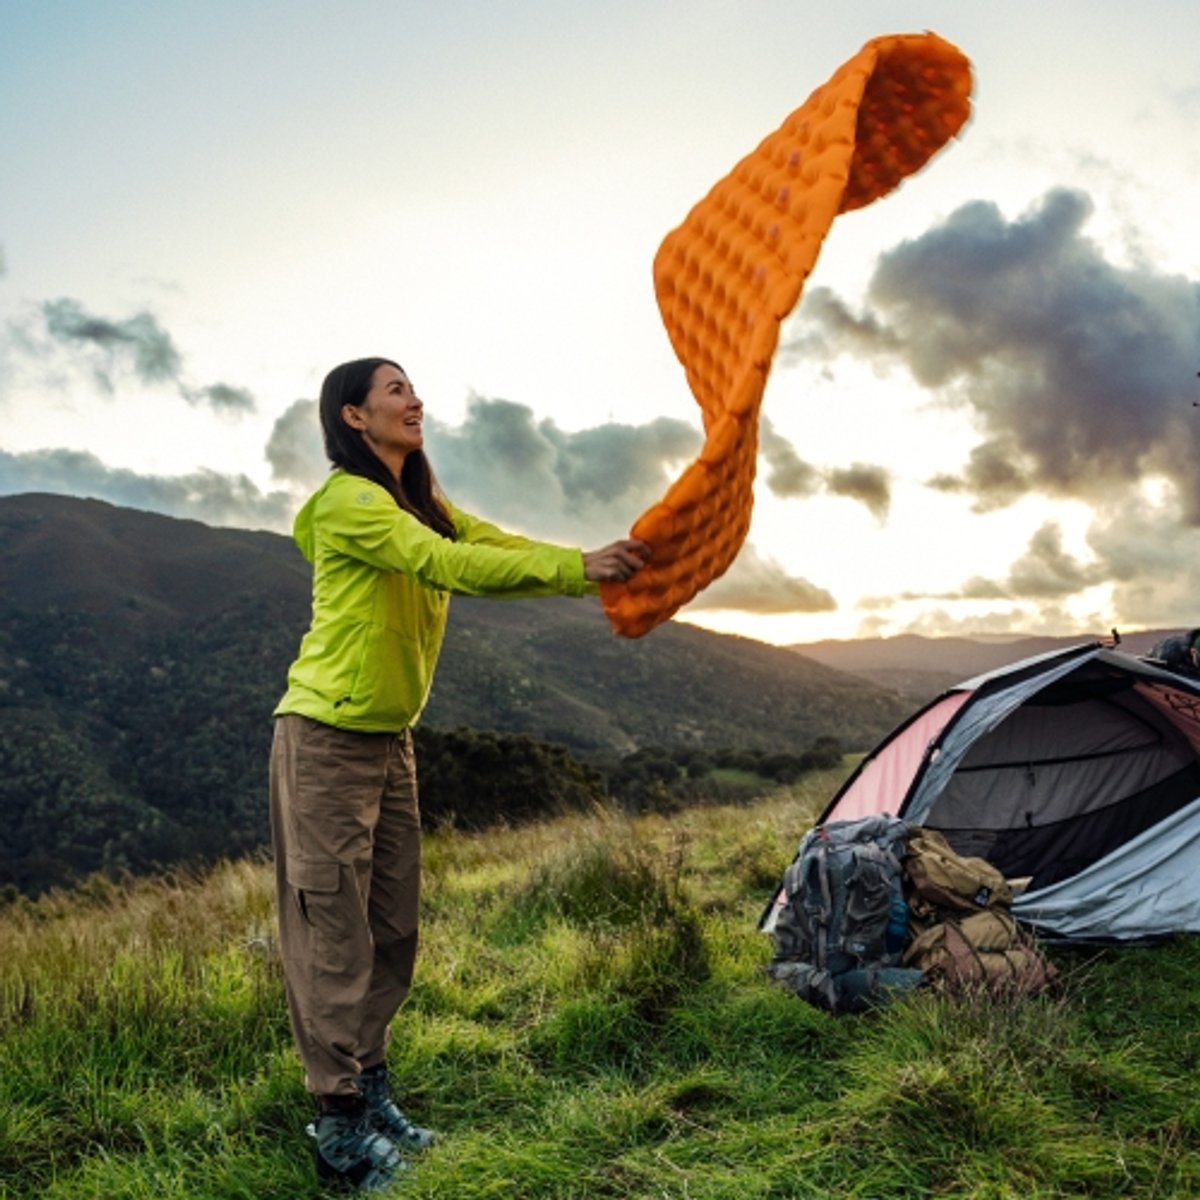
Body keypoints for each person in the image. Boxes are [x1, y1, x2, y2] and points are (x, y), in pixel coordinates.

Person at [268, 356, 649, 1191]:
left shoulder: (424, 505)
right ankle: (338, 1131)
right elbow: (447, 565)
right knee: (333, 935)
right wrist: (579, 566)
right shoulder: (351, 504)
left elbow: (491, 546)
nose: (415, 401)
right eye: (395, 390)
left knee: (393, 929)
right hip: (326, 738)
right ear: (353, 417)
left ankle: (372, 1091)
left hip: (390, 743)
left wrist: (589, 564)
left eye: (413, 388)